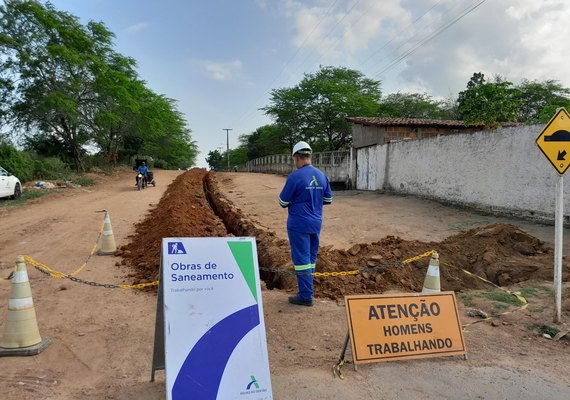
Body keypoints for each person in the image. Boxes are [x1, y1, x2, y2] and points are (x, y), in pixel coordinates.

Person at [279, 141, 332, 306]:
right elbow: (328, 199)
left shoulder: (295, 177)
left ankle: (306, 296)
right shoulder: (322, 175)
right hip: (316, 223)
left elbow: (282, 201)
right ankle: (307, 291)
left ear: (297, 157)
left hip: (298, 224)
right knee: (310, 259)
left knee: (301, 260)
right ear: (309, 155)